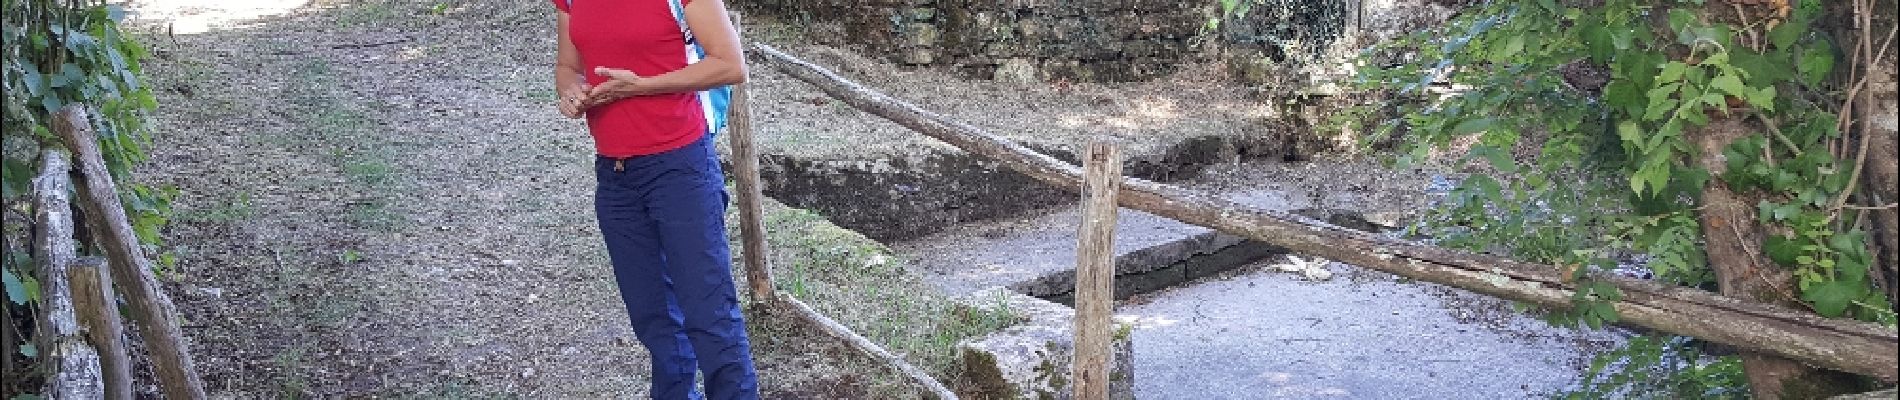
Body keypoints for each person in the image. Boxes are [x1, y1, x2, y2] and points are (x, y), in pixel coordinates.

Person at [550, 0, 757, 398]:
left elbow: (730, 65)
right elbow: (567, 67)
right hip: (615, 176)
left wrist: (642, 86)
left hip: (680, 167)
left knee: (709, 314)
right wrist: (570, 92)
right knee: (654, 319)